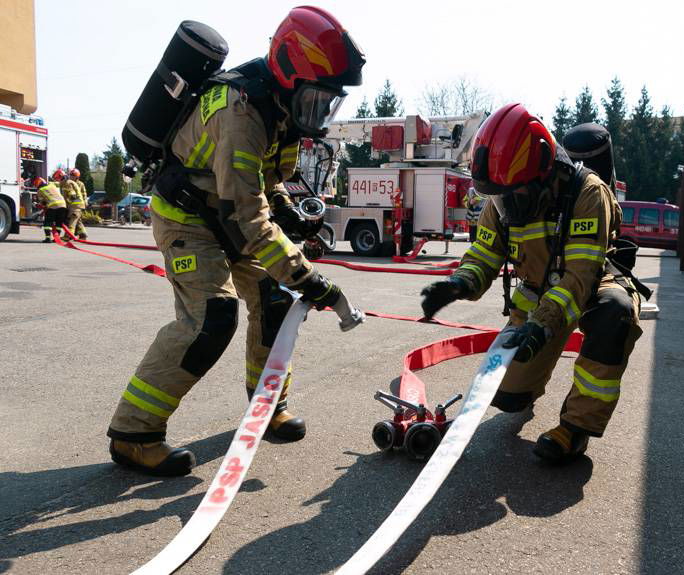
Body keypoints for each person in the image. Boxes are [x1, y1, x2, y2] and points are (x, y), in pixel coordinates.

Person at [106, 6, 366, 476]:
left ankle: (267, 408)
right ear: (288, 73)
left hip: (224, 209)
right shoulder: (241, 112)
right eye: (316, 99)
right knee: (211, 318)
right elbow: (247, 217)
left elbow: (269, 181)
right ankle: (134, 433)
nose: (319, 111)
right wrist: (307, 276)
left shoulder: (282, 107)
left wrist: (289, 214)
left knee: (276, 302)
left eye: (328, 102)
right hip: (187, 216)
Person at [420, 105, 644, 463]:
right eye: (498, 197)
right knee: (508, 399)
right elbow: (485, 253)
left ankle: (575, 429)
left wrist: (541, 327)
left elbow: (579, 277)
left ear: (544, 174)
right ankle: (526, 389)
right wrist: (458, 284)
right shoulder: (505, 193)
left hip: (594, 283)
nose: (505, 206)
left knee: (614, 314)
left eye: (512, 196)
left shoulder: (588, 194)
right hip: (539, 291)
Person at [35, 174, 66, 243]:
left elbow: (43, 202)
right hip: (63, 206)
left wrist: (38, 204)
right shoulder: (52, 185)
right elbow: (59, 183)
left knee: (48, 223)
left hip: (52, 206)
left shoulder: (40, 190)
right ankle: (56, 239)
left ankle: (48, 238)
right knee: (59, 223)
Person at [61, 168, 88, 240]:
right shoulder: (68, 182)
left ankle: (68, 235)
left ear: (77, 177)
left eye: (73, 175)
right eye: (71, 175)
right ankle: (83, 235)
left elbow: (83, 194)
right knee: (78, 220)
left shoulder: (80, 184)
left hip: (76, 206)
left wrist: (85, 202)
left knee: (72, 220)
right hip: (73, 205)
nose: (71, 176)